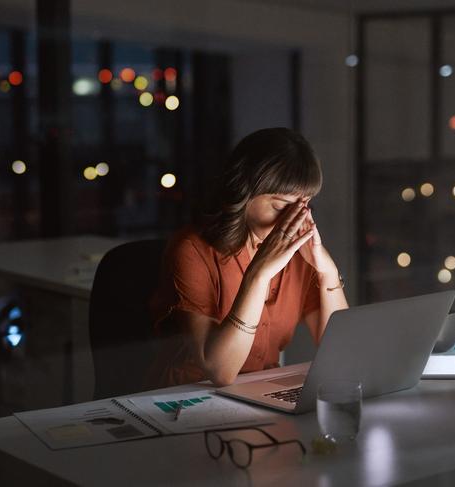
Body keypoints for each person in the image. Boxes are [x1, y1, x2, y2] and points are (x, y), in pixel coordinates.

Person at [146, 127, 348, 388]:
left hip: (257, 393)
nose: (293, 218)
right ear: (244, 192)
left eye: (304, 205)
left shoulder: (299, 257)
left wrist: (327, 271)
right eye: (280, 206)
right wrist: (260, 273)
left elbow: (341, 350)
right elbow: (219, 371)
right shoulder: (191, 250)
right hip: (184, 399)